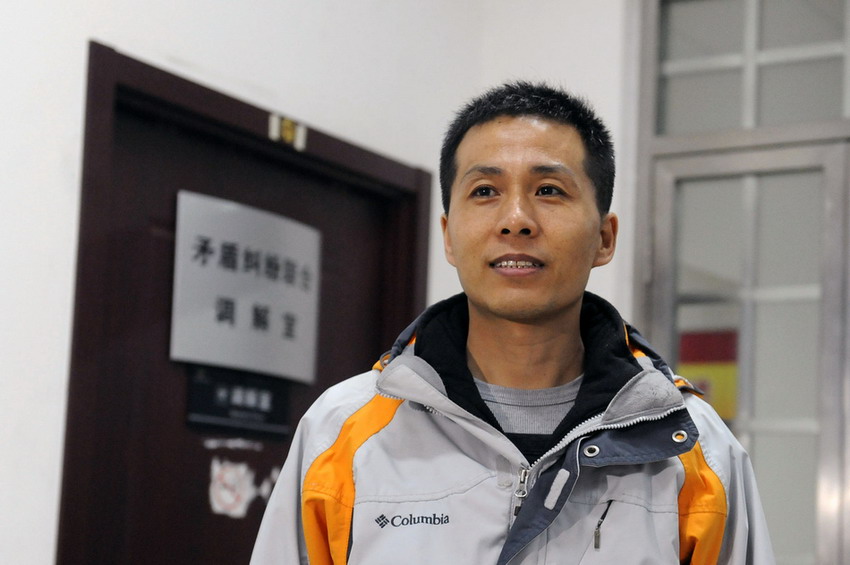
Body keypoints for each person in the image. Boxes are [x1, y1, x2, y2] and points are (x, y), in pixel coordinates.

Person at [250, 82, 774, 564]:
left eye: (549, 190)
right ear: (448, 236)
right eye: (485, 191)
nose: (516, 219)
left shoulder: (694, 450)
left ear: (604, 238)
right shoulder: (341, 434)